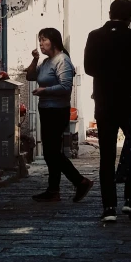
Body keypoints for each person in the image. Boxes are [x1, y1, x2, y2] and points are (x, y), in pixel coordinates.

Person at [84, 0, 131, 222]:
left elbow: (88, 67)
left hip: (104, 102)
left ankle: (109, 207)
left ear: (110, 12)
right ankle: (130, 201)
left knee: (107, 155)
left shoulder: (95, 35)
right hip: (129, 102)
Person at [25, 28, 93, 203]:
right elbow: (31, 76)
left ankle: (80, 181)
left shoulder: (62, 61)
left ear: (54, 41)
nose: (41, 44)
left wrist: (44, 90)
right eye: (39, 40)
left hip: (57, 111)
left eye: (44, 40)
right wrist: (35, 59)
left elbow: (65, 87)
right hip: (46, 109)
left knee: (52, 152)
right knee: (50, 152)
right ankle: (53, 190)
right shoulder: (47, 61)